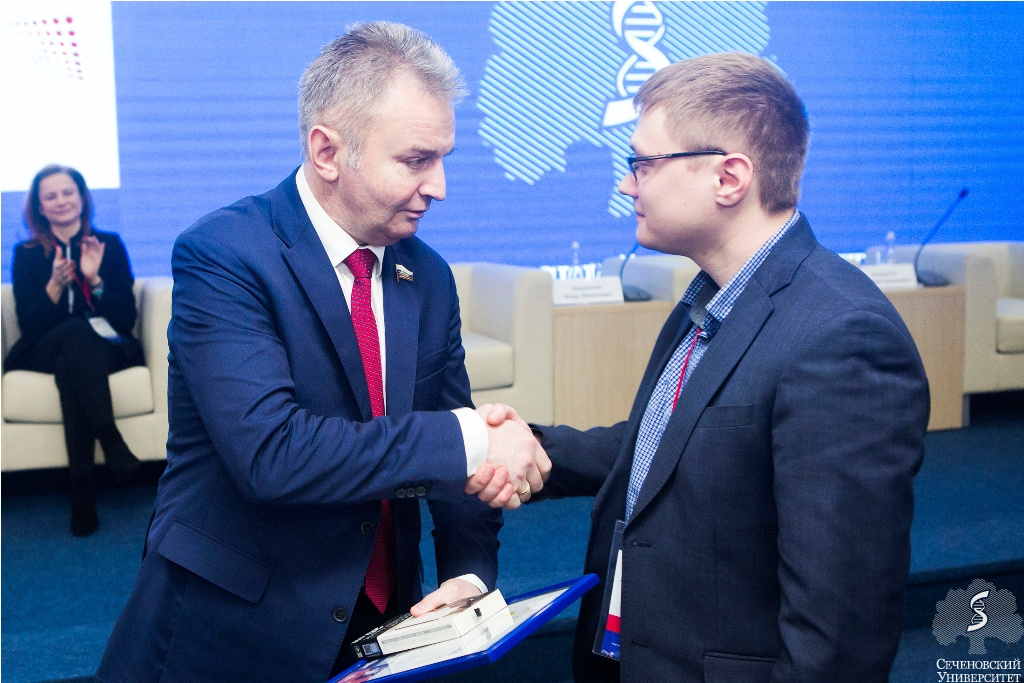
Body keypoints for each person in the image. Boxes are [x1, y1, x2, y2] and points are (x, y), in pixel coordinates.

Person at [96, 22, 546, 683]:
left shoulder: (427, 276)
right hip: (234, 629)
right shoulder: (225, 255)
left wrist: (468, 571)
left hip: (382, 626)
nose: (440, 186)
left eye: (443, 158)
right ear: (327, 151)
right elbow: (271, 455)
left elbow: (456, 465)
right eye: (416, 160)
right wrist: (474, 437)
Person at [497, 53, 929, 681]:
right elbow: (667, 448)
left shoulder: (843, 337)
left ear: (729, 178)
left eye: (643, 164)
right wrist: (524, 446)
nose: (628, 185)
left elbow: (839, 635)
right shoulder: (711, 297)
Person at [5, 165, 143, 536]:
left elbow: (125, 318)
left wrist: (95, 279)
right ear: (40, 208)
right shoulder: (27, 254)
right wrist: (54, 286)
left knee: (73, 366)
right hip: (44, 348)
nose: (61, 201)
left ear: (81, 197)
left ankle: (82, 492)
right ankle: (111, 440)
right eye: (50, 196)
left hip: (103, 347)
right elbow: (30, 326)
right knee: (73, 333)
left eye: (68, 192)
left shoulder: (108, 244)